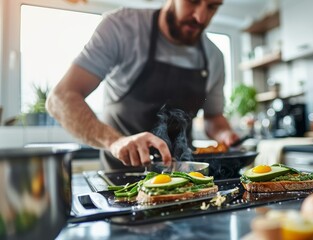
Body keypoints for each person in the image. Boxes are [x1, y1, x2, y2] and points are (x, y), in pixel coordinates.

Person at [46, 0, 239, 170]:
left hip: (187, 180)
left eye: (212, 6)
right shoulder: (121, 28)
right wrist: (116, 142)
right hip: (121, 182)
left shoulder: (214, 57)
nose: (200, 16)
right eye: (192, 1)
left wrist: (224, 134)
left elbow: (213, 118)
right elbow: (61, 98)